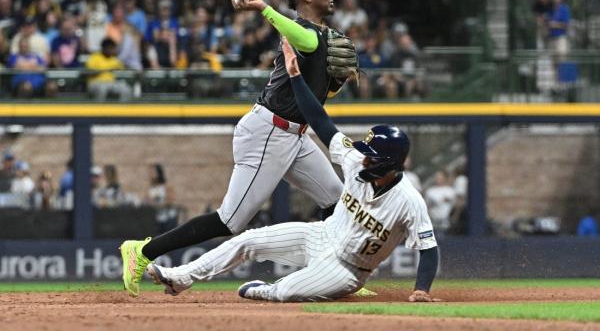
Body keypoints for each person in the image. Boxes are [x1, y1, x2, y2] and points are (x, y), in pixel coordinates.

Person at [120, 0, 359, 297]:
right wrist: (263, 7)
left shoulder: (320, 37)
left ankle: (332, 275)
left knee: (339, 201)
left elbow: (319, 93)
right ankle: (142, 252)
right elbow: (302, 39)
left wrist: (333, 82)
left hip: (296, 134)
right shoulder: (303, 32)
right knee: (230, 221)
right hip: (269, 133)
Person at [146, 37, 439, 303]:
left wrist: (421, 290)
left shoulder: (408, 201)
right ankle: (181, 277)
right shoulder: (353, 161)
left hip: (348, 269)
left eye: (371, 157)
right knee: (247, 239)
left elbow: (428, 249)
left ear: (389, 163)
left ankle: (267, 290)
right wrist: (296, 77)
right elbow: (320, 120)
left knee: (287, 291)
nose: (364, 159)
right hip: (320, 235)